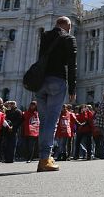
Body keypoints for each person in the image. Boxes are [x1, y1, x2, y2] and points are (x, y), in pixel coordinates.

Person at [34, 16, 77, 172]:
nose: (71, 28)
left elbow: (41, 58)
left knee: (44, 122)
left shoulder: (44, 36)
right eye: (70, 26)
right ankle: (45, 158)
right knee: (51, 122)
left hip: (40, 82)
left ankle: (44, 156)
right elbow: (72, 66)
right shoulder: (68, 38)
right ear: (66, 25)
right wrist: (72, 89)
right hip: (56, 82)